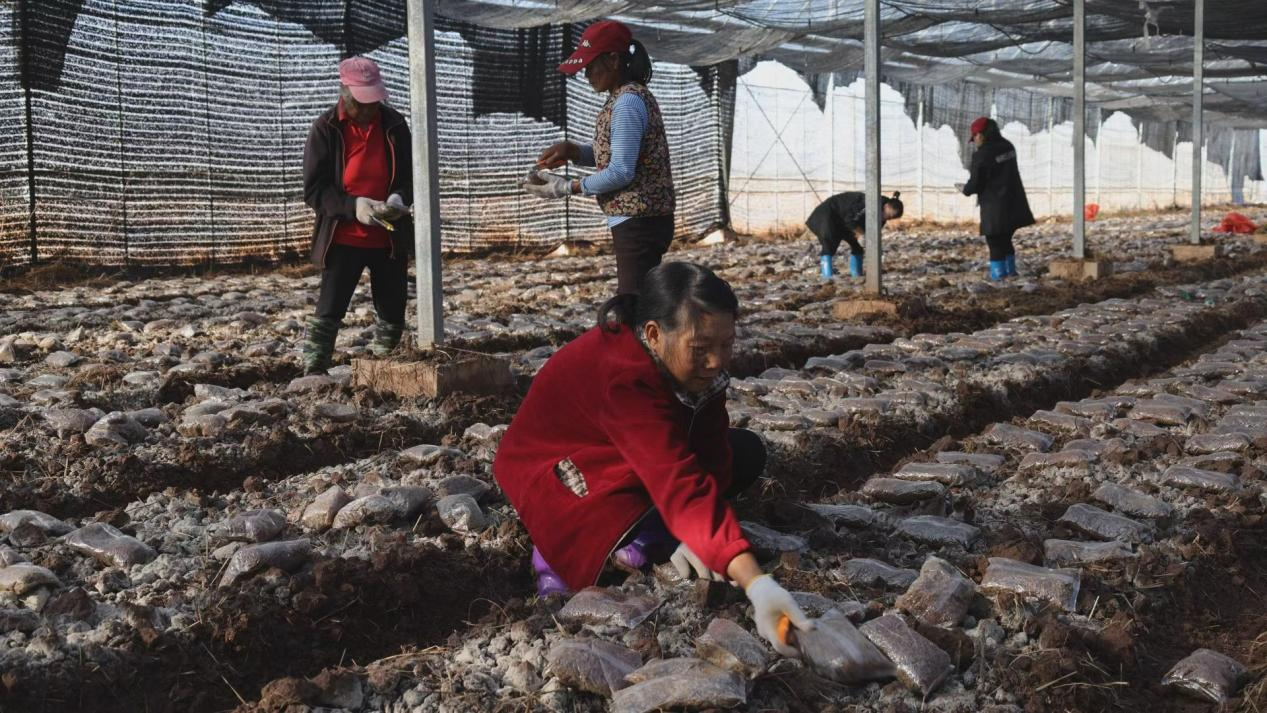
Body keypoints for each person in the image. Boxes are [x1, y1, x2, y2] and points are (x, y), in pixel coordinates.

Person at [493, 262, 813, 656]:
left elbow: (710, 453)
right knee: (638, 505)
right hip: (559, 471)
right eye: (700, 348)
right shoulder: (624, 377)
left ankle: (652, 533)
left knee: (745, 452)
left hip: (628, 450)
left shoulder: (692, 368)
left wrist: (707, 534)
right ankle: (575, 551)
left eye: (726, 344)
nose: (716, 361)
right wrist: (756, 582)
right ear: (654, 334)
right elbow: (677, 482)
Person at [524, 20, 676, 296]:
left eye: (591, 66)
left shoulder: (627, 102)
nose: (586, 75)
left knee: (632, 302)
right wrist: (574, 151)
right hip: (641, 219)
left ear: (614, 60)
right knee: (641, 299)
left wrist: (567, 187)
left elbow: (621, 171)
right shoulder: (625, 97)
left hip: (639, 221)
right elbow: (625, 153)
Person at [300, 57, 413, 375]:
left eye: (373, 102)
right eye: (361, 103)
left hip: (388, 236)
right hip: (344, 236)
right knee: (331, 306)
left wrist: (398, 198)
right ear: (344, 92)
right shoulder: (326, 128)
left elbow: (410, 176)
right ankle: (314, 368)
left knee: (392, 308)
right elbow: (315, 190)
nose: (367, 109)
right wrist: (354, 207)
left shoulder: (394, 125)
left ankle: (384, 366)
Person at [958, 117, 1034, 281]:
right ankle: (1011, 273)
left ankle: (999, 278)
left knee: (995, 242)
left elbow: (976, 184)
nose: (975, 141)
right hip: (1014, 203)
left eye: (975, 137)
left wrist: (965, 189)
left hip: (995, 206)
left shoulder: (982, 154)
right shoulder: (1008, 146)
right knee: (1006, 240)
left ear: (981, 134)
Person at [806, 191, 904, 278]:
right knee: (829, 244)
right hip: (828, 214)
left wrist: (873, 245)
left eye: (890, 218)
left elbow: (872, 232)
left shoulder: (882, 216)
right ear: (886, 206)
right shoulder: (869, 203)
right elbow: (850, 220)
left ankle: (856, 275)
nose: (886, 218)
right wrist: (861, 235)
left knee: (858, 246)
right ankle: (827, 277)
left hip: (844, 222)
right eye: (888, 215)